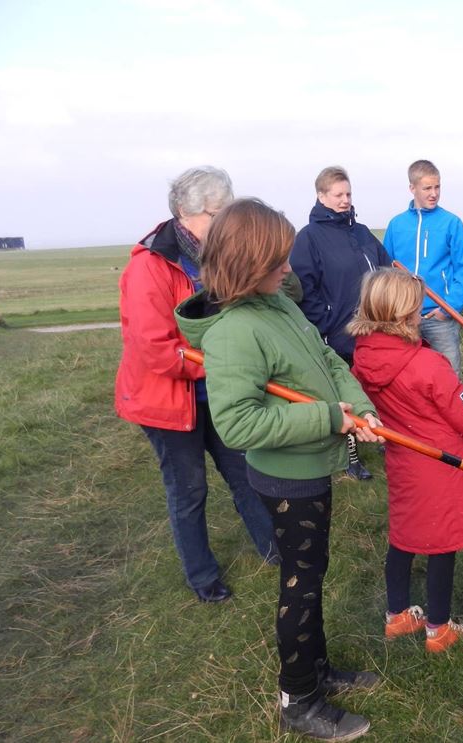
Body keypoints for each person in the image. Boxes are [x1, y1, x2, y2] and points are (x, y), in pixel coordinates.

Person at [175, 198, 383, 740]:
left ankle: (317, 670)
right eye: (277, 262)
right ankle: (299, 697)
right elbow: (239, 425)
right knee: (300, 584)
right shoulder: (233, 333)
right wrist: (326, 418)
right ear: (246, 265)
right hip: (289, 477)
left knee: (313, 573)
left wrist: (357, 406)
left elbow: (328, 359)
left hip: (313, 464)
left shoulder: (279, 306)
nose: (288, 270)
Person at [114, 166, 276, 604]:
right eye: (220, 213)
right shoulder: (149, 267)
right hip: (168, 401)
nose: (227, 223)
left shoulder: (217, 255)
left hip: (217, 392)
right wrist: (224, 364)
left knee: (244, 472)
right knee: (189, 491)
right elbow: (155, 350)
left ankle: (273, 549)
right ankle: (203, 578)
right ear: (190, 212)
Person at [348, 268, 463, 653]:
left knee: (403, 537)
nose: (421, 314)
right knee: (442, 543)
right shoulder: (429, 365)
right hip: (441, 465)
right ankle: (439, 629)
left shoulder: (363, 357)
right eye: (416, 309)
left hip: (403, 462)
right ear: (403, 316)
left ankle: (398, 615)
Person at [290, 165, 392, 481]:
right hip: (339, 334)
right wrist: (328, 323)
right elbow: (304, 287)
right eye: (338, 195)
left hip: (375, 329)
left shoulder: (361, 232)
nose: (345, 200)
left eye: (348, 194)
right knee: (344, 395)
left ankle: (385, 438)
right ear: (321, 196)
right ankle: (350, 458)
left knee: (381, 388)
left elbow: (385, 267)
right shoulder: (308, 238)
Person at [382, 160, 463, 376]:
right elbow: (387, 270)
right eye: (427, 188)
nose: (434, 194)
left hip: (439, 316)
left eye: (437, 187)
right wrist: (394, 310)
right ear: (412, 188)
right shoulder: (396, 225)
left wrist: (448, 309)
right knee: (406, 375)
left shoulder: (452, 223)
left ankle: (454, 411)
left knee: (448, 374)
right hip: (402, 317)